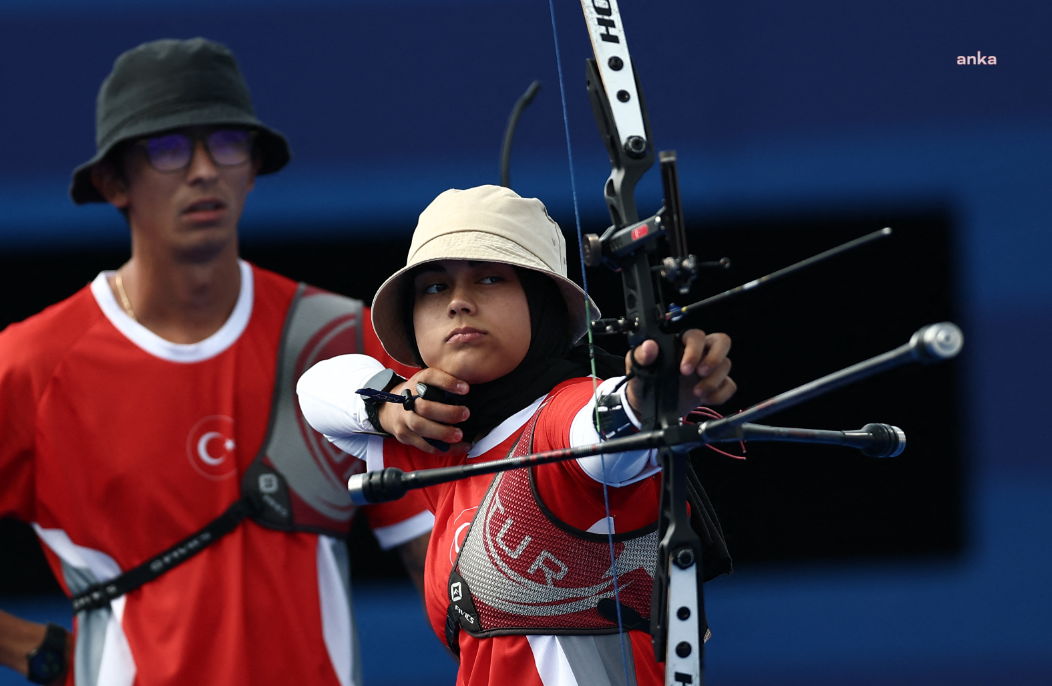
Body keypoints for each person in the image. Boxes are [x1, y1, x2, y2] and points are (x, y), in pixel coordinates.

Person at [0, 38, 432, 686]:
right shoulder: (31, 366)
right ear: (114, 181)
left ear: (253, 167)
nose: (204, 170)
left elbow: (440, 566)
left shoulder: (341, 337)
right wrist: (29, 647)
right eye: (169, 148)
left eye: (227, 143)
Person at [298, 185, 736, 686]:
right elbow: (314, 390)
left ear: (542, 303)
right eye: (435, 288)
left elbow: (600, 428)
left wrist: (649, 399)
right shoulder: (435, 434)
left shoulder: (563, 412)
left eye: (489, 278)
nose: (459, 302)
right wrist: (388, 406)